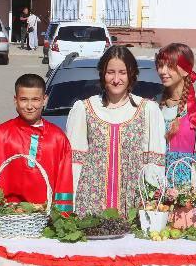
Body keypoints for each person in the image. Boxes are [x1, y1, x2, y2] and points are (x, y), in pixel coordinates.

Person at [67, 46, 166, 215]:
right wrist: (71, 205)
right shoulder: (84, 108)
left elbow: (154, 164)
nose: (116, 79)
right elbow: (74, 164)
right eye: (110, 72)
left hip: (133, 203)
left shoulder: (147, 110)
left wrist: (152, 206)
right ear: (102, 74)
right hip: (91, 204)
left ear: (131, 74)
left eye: (122, 72)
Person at [0, 74, 74, 212]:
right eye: (24, 100)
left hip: (46, 215)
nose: (30, 106)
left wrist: (62, 216)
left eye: (36, 100)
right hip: (8, 215)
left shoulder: (58, 138)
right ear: (15, 100)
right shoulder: (0, 135)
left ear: (45, 100)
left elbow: (64, 181)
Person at [154, 43, 196, 187]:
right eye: (160, 65)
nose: (162, 71)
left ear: (186, 70)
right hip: (156, 189)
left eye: (170, 66)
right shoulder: (154, 106)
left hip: (188, 192)